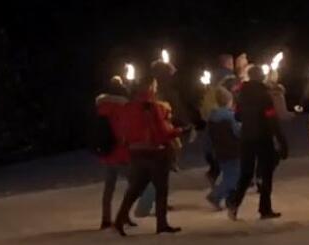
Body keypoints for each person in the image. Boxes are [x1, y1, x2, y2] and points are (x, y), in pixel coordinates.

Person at [105, 80, 183, 235]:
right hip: (155, 152)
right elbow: (161, 132)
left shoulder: (127, 107)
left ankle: (119, 220)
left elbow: (123, 131)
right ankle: (162, 224)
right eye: (154, 86)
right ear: (149, 89)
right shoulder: (153, 107)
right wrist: (178, 131)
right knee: (161, 189)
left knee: (134, 188)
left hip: (136, 152)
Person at [226, 64, 289, 220]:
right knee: (266, 172)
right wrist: (281, 140)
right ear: (261, 77)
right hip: (263, 137)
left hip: (246, 138)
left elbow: (237, 116)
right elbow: (271, 118)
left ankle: (234, 204)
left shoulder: (241, 94)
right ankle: (265, 208)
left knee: (246, 173)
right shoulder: (264, 95)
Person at [94, 77, 135, 230]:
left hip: (107, 152)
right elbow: (123, 128)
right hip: (121, 150)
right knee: (132, 184)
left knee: (109, 187)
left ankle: (106, 219)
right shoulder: (122, 106)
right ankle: (124, 215)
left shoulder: (101, 106)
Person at [202, 87, 243, 208]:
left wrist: (208, 151)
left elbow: (208, 138)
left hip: (219, 152)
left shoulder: (211, 118)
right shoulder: (230, 117)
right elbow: (237, 133)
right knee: (235, 176)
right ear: (228, 101)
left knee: (228, 175)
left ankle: (228, 200)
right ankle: (215, 196)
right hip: (233, 150)